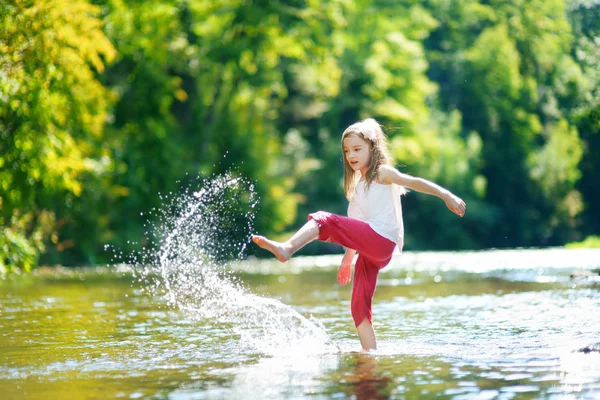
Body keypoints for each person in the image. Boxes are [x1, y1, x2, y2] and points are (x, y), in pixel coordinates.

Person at [252, 118, 466, 351]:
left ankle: (287, 248)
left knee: (325, 220)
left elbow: (414, 182)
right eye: (346, 151)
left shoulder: (381, 173)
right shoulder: (356, 190)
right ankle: (370, 356)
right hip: (373, 253)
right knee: (358, 308)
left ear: (372, 148)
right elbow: (354, 228)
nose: (351, 155)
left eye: (357, 149)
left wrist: (448, 196)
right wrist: (347, 261)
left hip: (383, 240)